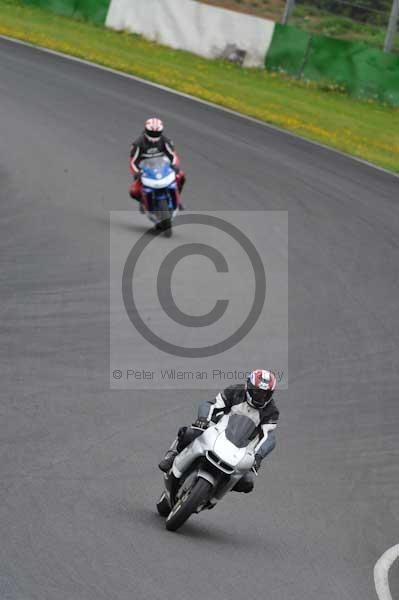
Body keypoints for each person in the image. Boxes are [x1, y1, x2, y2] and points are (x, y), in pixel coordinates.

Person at [158, 369, 279, 493]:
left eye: (265, 394)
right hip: (218, 428)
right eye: (257, 392)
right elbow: (211, 404)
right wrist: (203, 419)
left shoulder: (271, 411)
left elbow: (268, 437)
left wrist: (258, 457)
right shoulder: (235, 391)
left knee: (247, 482)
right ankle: (172, 455)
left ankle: (216, 491)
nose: (261, 396)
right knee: (188, 433)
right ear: (249, 386)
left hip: (242, 445)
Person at [129, 117, 186, 209]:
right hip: (145, 170)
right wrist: (137, 172)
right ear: (146, 130)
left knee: (181, 176)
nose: (154, 135)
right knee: (133, 192)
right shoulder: (138, 143)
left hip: (163, 167)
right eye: (151, 133)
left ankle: (177, 199)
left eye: (156, 133)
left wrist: (174, 166)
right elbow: (133, 161)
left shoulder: (165, 141)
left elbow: (173, 155)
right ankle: (143, 202)